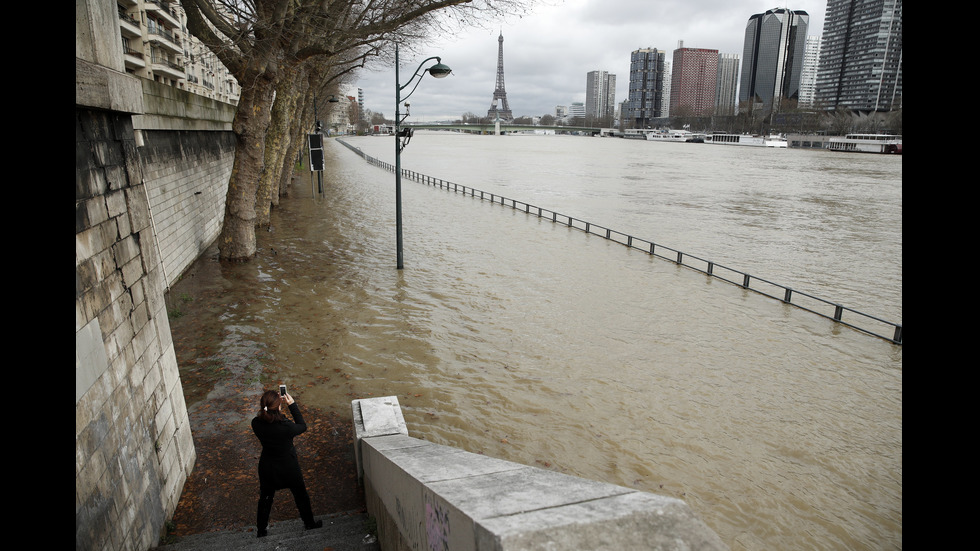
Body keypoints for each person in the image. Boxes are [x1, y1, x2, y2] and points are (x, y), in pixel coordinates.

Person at [251, 388, 323, 537]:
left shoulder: (256, 423)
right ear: (278, 406)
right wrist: (292, 405)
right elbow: (303, 426)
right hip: (289, 467)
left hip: (267, 467)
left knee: (265, 498)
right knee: (301, 496)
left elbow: (266, 421)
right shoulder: (286, 427)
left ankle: (261, 531)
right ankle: (309, 524)